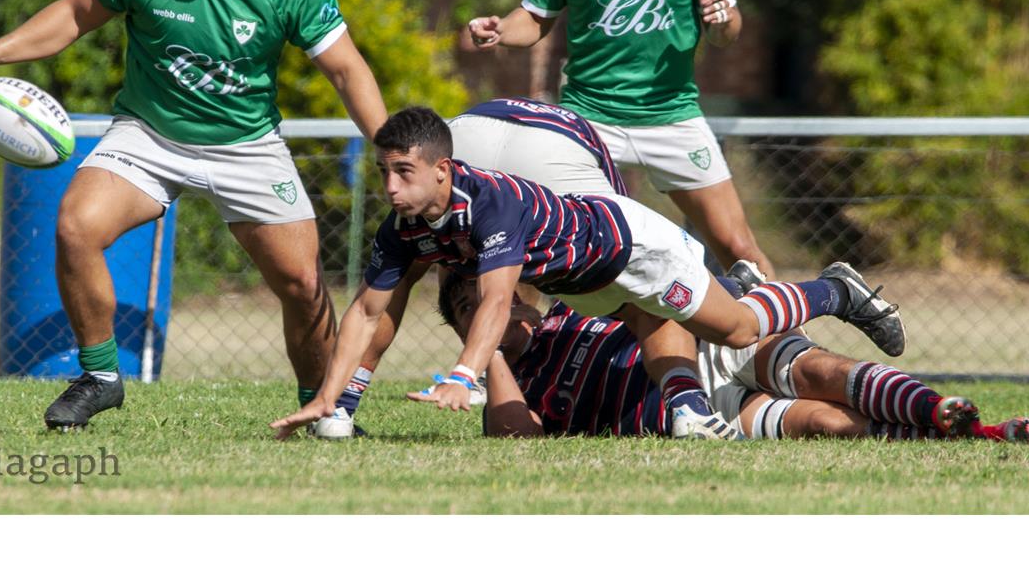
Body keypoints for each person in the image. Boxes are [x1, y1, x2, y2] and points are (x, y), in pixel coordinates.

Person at [0, 0, 388, 431]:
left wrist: (388, 146)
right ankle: (99, 377)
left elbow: (346, 70)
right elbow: (72, 16)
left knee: (302, 283)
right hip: (148, 134)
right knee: (75, 224)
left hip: (247, 144)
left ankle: (325, 409)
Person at [271, 106, 903, 438]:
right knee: (683, 329)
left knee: (736, 328)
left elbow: (495, 302)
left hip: (631, 247)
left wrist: (464, 374)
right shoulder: (403, 225)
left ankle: (834, 288)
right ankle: (691, 413)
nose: (389, 185)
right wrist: (334, 399)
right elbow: (368, 312)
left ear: (442, 169)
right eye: (383, 171)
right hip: (586, 285)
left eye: (401, 172)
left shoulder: (490, 201)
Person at [316, 97, 736, 441]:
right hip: (552, 145)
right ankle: (689, 401)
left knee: (426, 266)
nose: (389, 187)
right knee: (631, 285)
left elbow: (377, 307)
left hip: (466, 129)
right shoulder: (568, 133)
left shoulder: (447, 173)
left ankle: (343, 410)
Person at [466, 0, 775, 279]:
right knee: (536, 242)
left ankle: (790, 343)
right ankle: (527, 347)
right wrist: (499, 31)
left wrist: (721, 20)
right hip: (589, 119)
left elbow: (728, 31)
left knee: (738, 246)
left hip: (671, 116)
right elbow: (534, 19)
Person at [435, 272, 1029, 443]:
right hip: (707, 420)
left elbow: (650, 293)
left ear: (518, 291)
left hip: (709, 357)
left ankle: (935, 405)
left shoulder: (576, 298)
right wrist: (483, 351)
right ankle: (972, 431)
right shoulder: (515, 385)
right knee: (826, 424)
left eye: (488, 294)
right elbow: (518, 439)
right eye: (465, 308)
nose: (485, 307)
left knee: (819, 373)